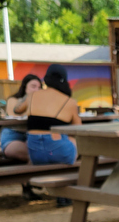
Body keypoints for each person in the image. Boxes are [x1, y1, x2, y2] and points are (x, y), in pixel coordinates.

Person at [14, 64, 80, 207]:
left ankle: (57, 191)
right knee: (72, 140)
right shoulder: (70, 102)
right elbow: (78, 128)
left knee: (45, 145)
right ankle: (64, 192)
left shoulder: (32, 96)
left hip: (36, 155)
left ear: (47, 79)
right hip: (60, 153)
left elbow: (17, 109)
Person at [0, 74, 42, 162]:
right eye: (33, 86)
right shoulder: (13, 100)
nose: (37, 90)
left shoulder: (41, 102)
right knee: (34, 153)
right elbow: (15, 116)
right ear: (25, 87)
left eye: (39, 87)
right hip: (13, 135)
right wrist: (29, 101)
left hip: (32, 136)